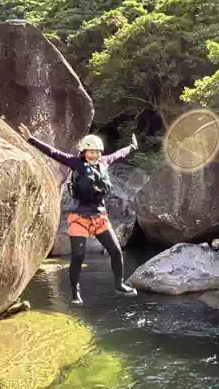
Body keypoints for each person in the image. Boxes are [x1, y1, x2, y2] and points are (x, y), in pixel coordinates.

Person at [18, 124, 138, 304]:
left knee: (115, 252)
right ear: (84, 152)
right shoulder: (76, 163)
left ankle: (119, 284)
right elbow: (54, 153)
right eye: (90, 152)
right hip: (79, 218)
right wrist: (31, 139)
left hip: (100, 218)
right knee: (78, 257)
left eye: (97, 152)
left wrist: (132, 147)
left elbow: (119, 154)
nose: (94, 155)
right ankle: (75, 291)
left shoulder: (104, 162)